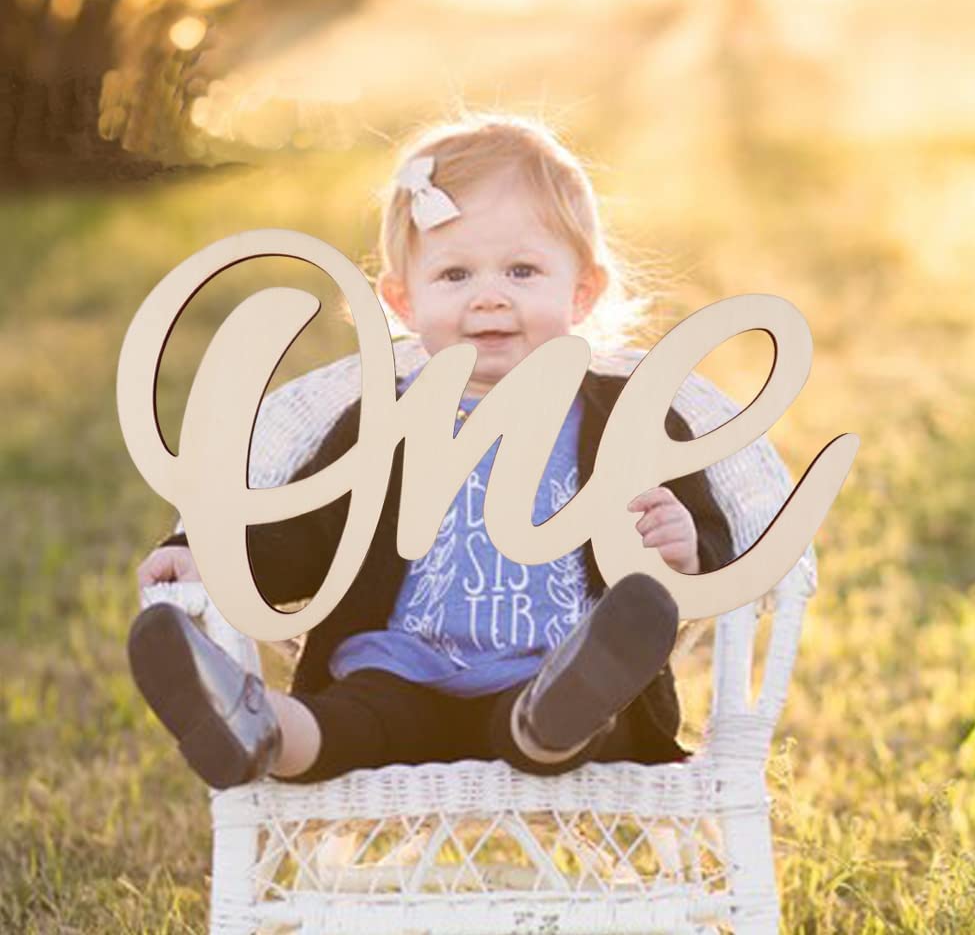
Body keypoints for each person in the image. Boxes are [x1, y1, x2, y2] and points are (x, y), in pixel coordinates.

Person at [128, 113, 735, 791]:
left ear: (582, 290)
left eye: (523, 270)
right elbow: (302, 532)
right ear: (403, 300)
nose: (489, 297)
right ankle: (254, 724)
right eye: (454, 275)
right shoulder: (383, 422)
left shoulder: (633, 417)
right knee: (345, 721)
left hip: (556, 668)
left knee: (576, 718)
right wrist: (205, 552)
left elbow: (711, 540)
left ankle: (555, 722)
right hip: (400, 667)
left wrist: (685, 548)